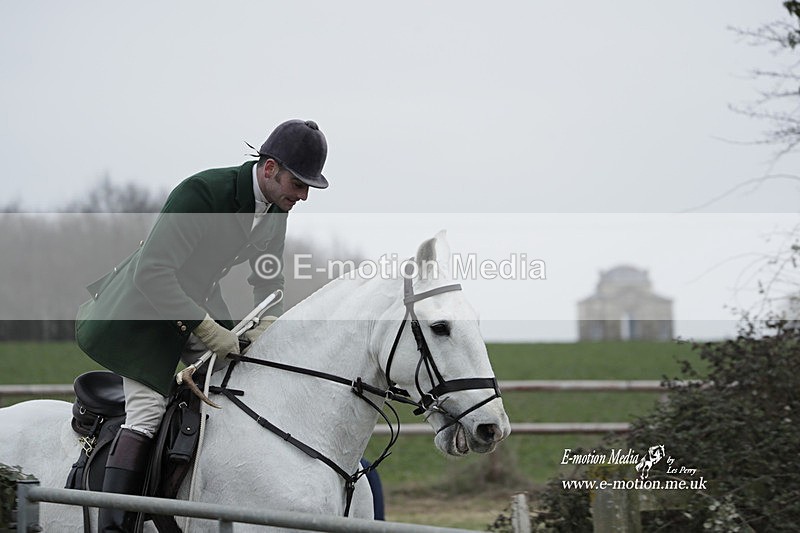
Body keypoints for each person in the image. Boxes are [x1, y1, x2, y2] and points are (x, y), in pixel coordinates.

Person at [75, 119, 328, 532]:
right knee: (147, 412)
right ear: (269, 169)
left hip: (197, 305)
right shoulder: (202, 192)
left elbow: (268, 277)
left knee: (246, 380)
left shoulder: (274, 208)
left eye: (306, 188)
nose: (301, 196)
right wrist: (209, 330)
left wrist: (268, 319)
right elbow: (153, 272)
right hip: (143, 313)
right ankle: (115, 526)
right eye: (298, 184)